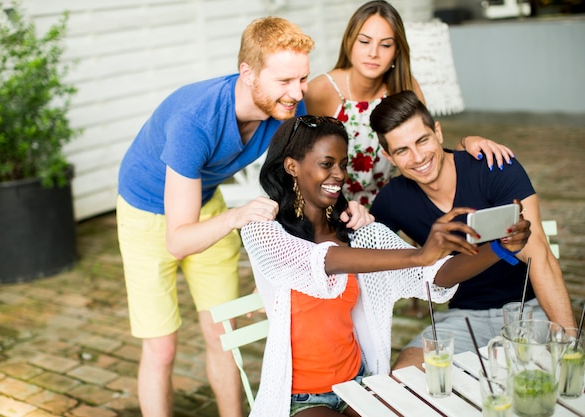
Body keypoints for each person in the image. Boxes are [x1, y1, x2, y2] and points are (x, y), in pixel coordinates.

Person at [116, 16, 375, 417]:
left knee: (223, 333)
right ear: (247, 73)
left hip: (204, 202)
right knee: (162, 344)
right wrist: (239, 217)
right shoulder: (195, 121)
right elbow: (178, 239)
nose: (298, 93)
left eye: (302, 79)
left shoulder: (288, 106)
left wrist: (346, 210)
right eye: (285, 81)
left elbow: (305, 180)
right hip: (144, 212)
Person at [240, 115, 531, 417]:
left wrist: (500, 247)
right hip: (302, 398)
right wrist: (420, 254)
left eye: (343, 164)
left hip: (359, 384)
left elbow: (434, 275)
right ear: (292, 167)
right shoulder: (263, 230)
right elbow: (321, 261)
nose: (338, 174)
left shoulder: (357, 232)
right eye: (327, 164)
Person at [368, 90, 576, 369]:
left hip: (528, 309)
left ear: (438, 132)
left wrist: (569, 343)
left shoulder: (494, 167)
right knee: (403, 377)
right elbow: (368, 262)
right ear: (388, 156)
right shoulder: (392, 200)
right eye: (402, 150)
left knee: (551, 378)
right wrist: (359, 219)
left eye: (422, 140)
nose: (417, 157)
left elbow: (540, 256)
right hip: (463, 318)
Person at [305, 0, 514, 206]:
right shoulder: (320, 91)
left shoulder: (406, 88)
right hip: (331, 207)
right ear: (349, 42)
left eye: (385, 44)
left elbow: (428, 153)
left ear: (397, 51)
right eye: (364, 41)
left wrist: (466, 143)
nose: (373, 53)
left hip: (389, 208)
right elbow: (304, 165)